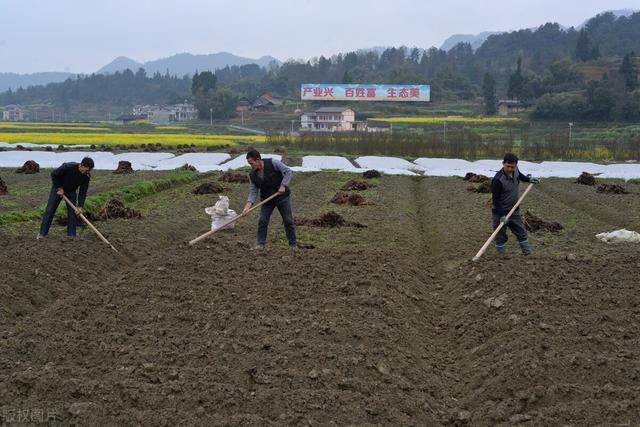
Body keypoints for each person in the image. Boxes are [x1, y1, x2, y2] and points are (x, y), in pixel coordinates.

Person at [241, 149, 297, 251]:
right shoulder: (252, 175)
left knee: (288, 221)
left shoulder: (273, 163)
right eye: (249, 164)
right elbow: (253, 192)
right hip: (267, 200)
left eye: (252, 163)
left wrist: (283, 185)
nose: (251, 166)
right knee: (262, 220)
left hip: (282, 197)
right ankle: (260, 244)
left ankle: (293, 245)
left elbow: (288, 171)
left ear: (258, 160)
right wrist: (247, 207)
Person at [491, 153, 540, 256]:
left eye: (512, 167)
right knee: (500, 236)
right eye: (507, 166)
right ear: (503, 163)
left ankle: (528, 255)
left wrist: (529, 179)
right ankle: (501, 258)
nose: (510, 169)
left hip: (514, 210)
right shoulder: (497, 180)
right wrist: (501, 215)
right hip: (499, 212)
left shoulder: (515, 170)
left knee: (521, 232)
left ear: (516, 166)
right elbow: (496, 200)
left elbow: (520, 176)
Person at [38, 157, 94, 239]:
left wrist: (80, 206)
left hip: (71, 191)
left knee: (72, 214)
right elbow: (54, 174)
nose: (87, 172)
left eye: (89, 171)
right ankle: (42, 234)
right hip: (58, 188)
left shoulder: (86, 176)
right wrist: (59, 188)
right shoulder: (68, 167)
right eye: (87, 170)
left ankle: (71, 236)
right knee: (50, 211)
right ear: (82, 165)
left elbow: (83, 191)